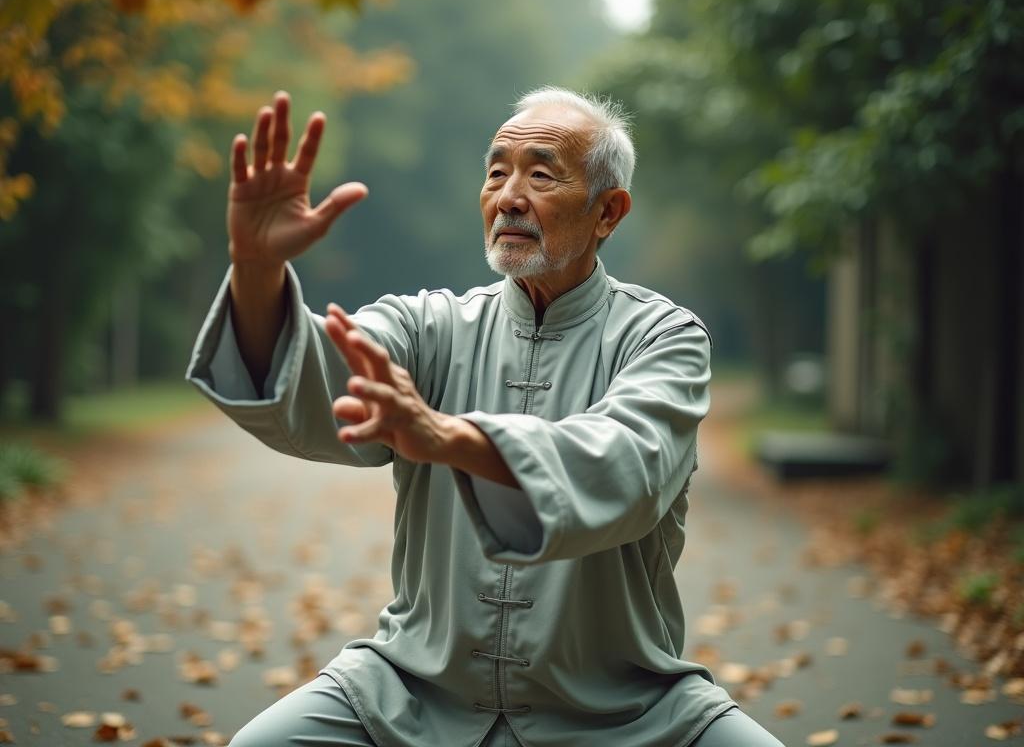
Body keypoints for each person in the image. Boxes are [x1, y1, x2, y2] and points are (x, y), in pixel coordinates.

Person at [187, 87, 785, 747]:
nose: (508, 196)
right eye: (496, 171)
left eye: (541, 173)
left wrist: (445, 436)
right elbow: (322, 378)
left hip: (625, 708)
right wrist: (257, 267)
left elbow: (623, 467)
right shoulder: (429, 325)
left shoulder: (663, 337)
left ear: (607, 212)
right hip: (412, 689)